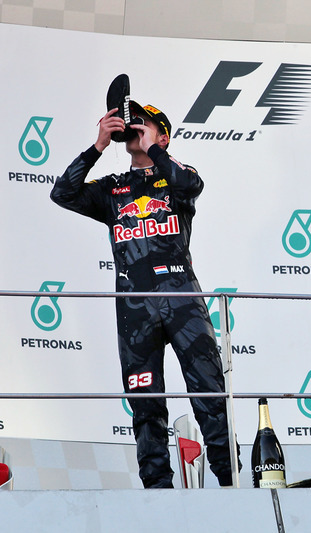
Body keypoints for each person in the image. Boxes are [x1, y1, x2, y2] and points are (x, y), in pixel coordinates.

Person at [51, 101, 240, 488]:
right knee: (145, 403)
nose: (135, 125)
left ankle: (231, 483)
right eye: (131, 120)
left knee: (209, 390)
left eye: (145, 122)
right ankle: (157, 491)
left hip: (182, 299)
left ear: (163, 135)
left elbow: (190, 185)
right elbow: (63, 194)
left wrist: (154, 149)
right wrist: (99, 145)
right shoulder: (112, 188)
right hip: (134, 308)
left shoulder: (177, 178)